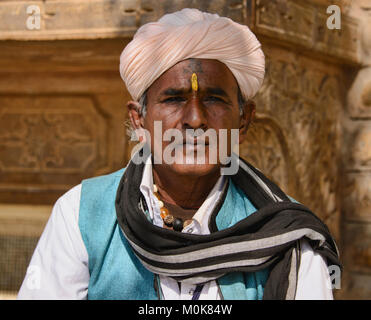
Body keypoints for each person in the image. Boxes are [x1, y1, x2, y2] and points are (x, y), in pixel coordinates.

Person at [17, 8, 340, 300]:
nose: (195, 119)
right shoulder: (82, 213)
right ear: (138, 119)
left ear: (244, 119)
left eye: (214, 99)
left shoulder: (289, 236)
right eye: (173, 99)